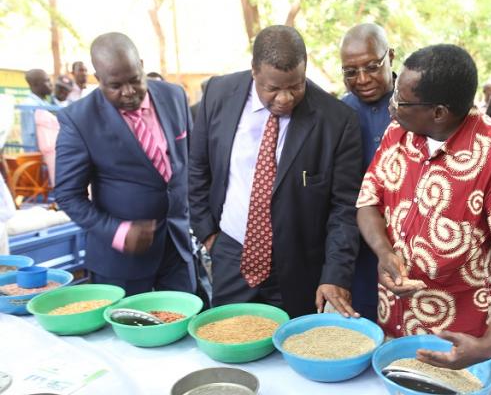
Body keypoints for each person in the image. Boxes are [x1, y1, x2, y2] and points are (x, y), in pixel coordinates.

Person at [356, 44, 491, 369]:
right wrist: (384, 253)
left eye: (401, 100)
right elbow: (368, 200)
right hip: (395, 324)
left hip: (461, 340)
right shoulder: (397, 132)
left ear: (439, 113)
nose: (392, 105)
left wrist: (488, 344)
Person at [189, 25, 362, 318]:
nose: (285, 98)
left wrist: (335, 273)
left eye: (295, 86)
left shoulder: (337, 121)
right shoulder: (219, 94)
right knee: (230, 336)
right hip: (230, 253)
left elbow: (344, 207)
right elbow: (198, 168)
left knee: (293, 342)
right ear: (254, 70)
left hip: (299, 267)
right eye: (272, 89)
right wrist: (208, 234)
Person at [55, 32, 205, 299]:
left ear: (142, 66)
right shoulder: (79, 120)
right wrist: (117, 231)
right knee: (125, 325)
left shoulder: (173, 96)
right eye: (115, 85)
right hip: (121, 263)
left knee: (186, 320)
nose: (128, 92)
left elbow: (193, 163)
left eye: (135, 80)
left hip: (177, 247)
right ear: (98, 79)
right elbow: (68, 195)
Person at [340, 23, 395, 321]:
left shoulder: (420, 105)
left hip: (417, 245)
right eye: (351, 72)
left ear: (391, 57)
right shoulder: (338, 113)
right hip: (359, 248)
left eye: (372, 67)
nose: (362, 79)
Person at [21, 69, 54, 150]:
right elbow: (30, 134)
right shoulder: (30, 105)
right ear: (35, 84)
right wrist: (34, 155)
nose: (51, 84)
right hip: (37, 153)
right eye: (47, 81)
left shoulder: (45, 103)